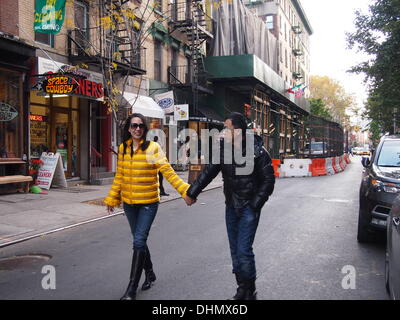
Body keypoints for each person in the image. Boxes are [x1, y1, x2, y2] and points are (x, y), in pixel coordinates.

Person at [186, 112, 275, 300]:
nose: (223, 131)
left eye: (226, 127)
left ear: (239, 131)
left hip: (249, 208)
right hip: (231, 207)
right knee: (235, 251)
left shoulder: (258, 151)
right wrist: (191, 193)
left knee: (243, 250)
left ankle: (250, 292)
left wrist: (255, 205)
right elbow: (208, 173)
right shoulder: (223, 151)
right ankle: (242, 289)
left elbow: (268, 180)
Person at [104, 113, 194, 300]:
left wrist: (185, 191)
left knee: (138, 241)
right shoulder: (123, 148)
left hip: (148, 203)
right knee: (140, 240)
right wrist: (113, 198)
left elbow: (167, 171)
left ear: (144, 129)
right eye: (133, 126)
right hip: (129, 203)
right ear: (128, 128)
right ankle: (150, 273)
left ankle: (131, 289)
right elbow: (119, 176)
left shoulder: (153, 148)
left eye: (140, 126)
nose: (137, 129)